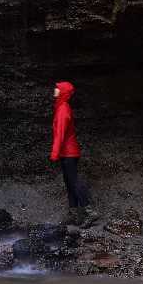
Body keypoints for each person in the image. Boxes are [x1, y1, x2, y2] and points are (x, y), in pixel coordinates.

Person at [49, 80, 93, 222]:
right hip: (66, 152)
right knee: (69, 182)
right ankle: (74, 214)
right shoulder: (61, 107)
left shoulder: (63, 109)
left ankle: (90, 212)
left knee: (74, 182)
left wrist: (54, 153)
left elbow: (60, 133)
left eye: (57, 88)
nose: (55, 90)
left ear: (63, 92)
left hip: (69, 152)